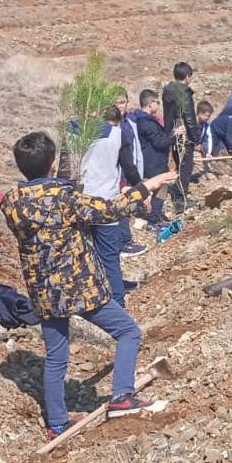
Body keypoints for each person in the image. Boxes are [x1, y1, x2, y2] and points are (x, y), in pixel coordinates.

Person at [0, 131, 176, 440]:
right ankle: (122, 396)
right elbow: (110, 210)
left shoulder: (12, 203)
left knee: (56, 356)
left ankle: (56, 423)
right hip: (80, 286)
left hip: (45, 293)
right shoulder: (65, 198)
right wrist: (146, 187)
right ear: (53, 164)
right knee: (128, 332)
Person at [80, 105, 131, 308]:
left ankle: (89, 300)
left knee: (84, 254)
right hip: (107, 203)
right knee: (109, 256)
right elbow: (129, 167)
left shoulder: (74, 132)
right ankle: (116, 303)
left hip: (81, 201)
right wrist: (140, 188)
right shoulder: (119, 135)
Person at [133, 89, 177, 235]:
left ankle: (151, 218)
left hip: (147, 162)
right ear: (151, 103)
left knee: (149, 192)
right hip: (154, 162)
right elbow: (159, 143)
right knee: (160, 191)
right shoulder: (147, 122)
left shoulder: (137, 119)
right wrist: (174, 136)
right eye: (157, 102)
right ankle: (153, 222)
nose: (158, 105)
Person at [162, 62, 198, 209]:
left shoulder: (168, 90)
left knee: (179, 163)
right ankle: (180, 201)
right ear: (188, 76)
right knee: (185, 166)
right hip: (183, 134)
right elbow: (189, 117)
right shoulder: (184, 93)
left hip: (172, 132)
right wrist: (196, 137)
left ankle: (178, 194)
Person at [115, 91, 146, 257]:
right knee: (121, 207)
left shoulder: (130, 122)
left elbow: (136, 149)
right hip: (118, 174)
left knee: (125, 206)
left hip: (130, 169)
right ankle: (125, 243)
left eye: (123, 102)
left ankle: (126, 241)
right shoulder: (112, 125)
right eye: (117, 102)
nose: (120, 106)